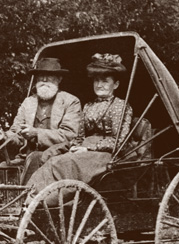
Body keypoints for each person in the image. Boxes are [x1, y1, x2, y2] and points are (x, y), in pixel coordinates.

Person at [27, 53, 133, 194]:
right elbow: (80, 136)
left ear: (116, 84)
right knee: (47, 156)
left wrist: (88, 149)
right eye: (96, 81)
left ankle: (40, 196)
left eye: (105, 81)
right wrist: (74, 146)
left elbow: (120, 142)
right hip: (86, 148)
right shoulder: (88, 106)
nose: (99, 85)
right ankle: (31, 194)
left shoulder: (121, 106)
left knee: (61, 163)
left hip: (107, 154)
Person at [0, 57, 82, 183]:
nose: (44, 80)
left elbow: (69, 136)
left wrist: (36, 133)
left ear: (59, 79)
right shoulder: (29, 103)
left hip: (59, 157)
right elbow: (17, 133)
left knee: (35, 157)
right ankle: (6, 200)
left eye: (49, 77)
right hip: (27, 157)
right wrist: (5, 136)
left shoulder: (70, 102)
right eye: (40, 76)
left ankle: (25, 199)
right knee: (3, 167)